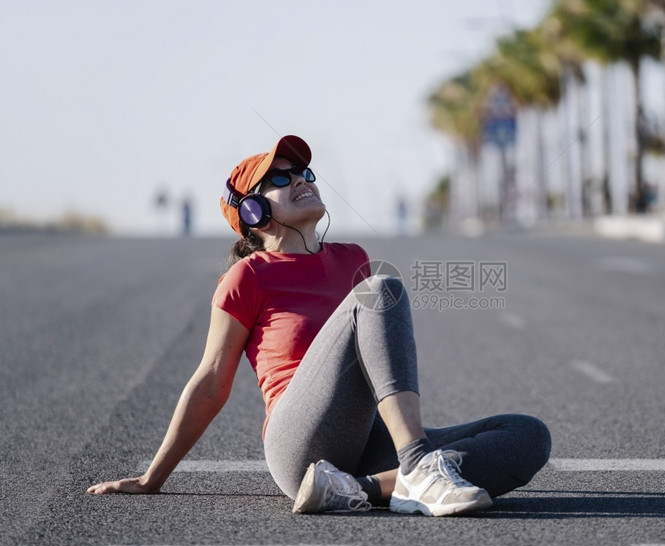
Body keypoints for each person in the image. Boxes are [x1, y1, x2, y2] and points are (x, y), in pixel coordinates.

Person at [88, 135, 551, 516]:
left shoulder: (353, 259)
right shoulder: (248, 276)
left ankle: (362, 489)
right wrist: (153, 478)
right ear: (252, 213)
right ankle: (416, 466)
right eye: (280, 178)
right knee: (382, 290)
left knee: (527, 434)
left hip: (363, 441)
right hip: (299, 442)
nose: (300, 180)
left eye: (304, 173)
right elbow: (211, 381)